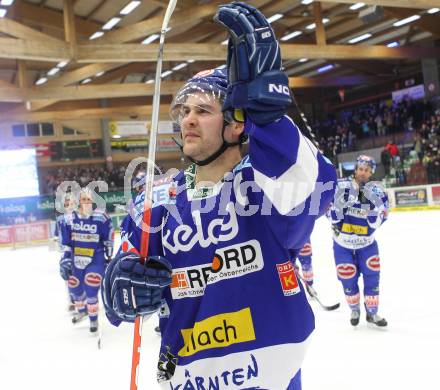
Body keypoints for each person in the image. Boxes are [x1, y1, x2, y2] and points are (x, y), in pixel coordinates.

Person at [102, 3, 336, 389]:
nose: (187, 119)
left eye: (204, 110)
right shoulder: (157, 200)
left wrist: (270, 120)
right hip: (190, 379)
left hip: (267, 375)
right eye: (185, 110)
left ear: (234, 124)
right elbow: (121, 287)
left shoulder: (264, 188)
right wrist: (118, 288)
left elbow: (316, 188)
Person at [327, 155, 388, 327]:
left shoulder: (377, 190)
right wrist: (340, 205)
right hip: (343, 244)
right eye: (360, 169)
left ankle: (372, 313)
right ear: (355, 169)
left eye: (367, 170)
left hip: (367, 245)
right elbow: (329, 213)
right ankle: (354, 309)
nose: (363, 173)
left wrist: (371, 210)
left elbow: (382, 217)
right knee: (347, 278)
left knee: (372, 278)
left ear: (371, 173)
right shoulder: (340, 186)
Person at [59, 188, 114, 332]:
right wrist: (65, 259)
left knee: (91, 288)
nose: (86, 202)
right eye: (84, 199)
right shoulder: (70, 218)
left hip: (95, 259)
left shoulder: (101, 217)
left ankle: (93, 319)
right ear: (78, 201)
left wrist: (108, 256)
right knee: (74, 288)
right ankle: (82, 310)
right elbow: (66, 242)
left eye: (89, 200)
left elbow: (108, 237)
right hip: (75, 259)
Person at [54, 193, 76, 312]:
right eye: (67, 203)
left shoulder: (80, 216)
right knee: (67, 275)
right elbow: (56, 234)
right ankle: (71, 300)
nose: (69, 205)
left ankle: (83, 298)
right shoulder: (60, 219)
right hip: (65, 251)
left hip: (79, 250)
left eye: (71, 202)